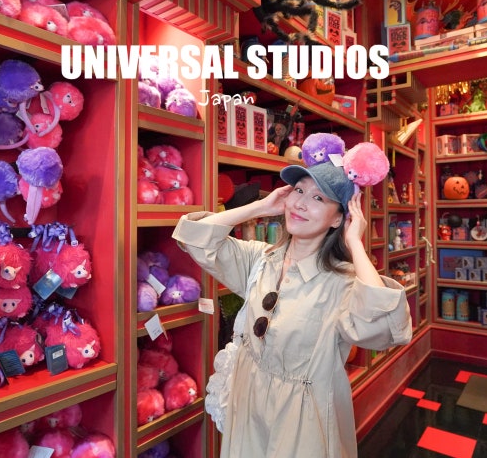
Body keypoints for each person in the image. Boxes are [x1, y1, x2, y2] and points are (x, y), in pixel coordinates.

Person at [171, 160, 413, 457]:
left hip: (301, 419)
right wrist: (260, 207)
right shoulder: (261, 260)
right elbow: (193, 236)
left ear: (338, 218)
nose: (300, 203)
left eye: (318, 197)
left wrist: (355, 242)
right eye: (299, 190)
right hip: (247, 403)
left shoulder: (342, 283)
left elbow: (386, 328)